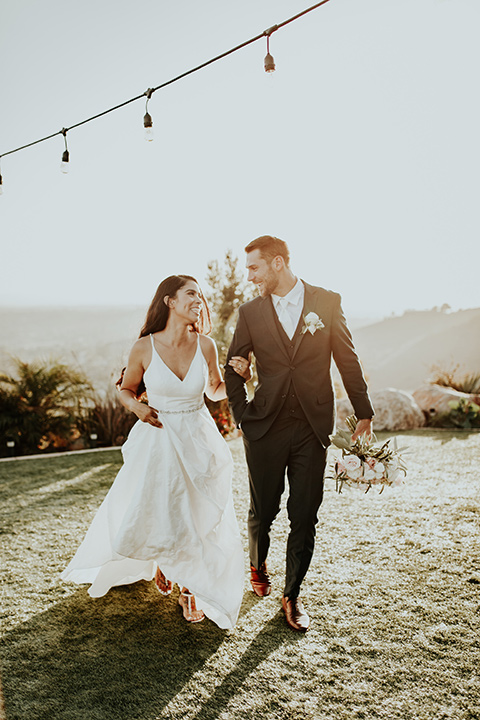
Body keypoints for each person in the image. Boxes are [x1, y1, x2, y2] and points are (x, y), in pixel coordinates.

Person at [62, 275, 251, 629]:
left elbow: (213, 391)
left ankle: (189, 584)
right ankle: (171, 568)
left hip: (199, 437)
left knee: (197, 511)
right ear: (170, 301)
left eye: (200, 295)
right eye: (191, 294)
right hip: (160, 437)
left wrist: (241, 379)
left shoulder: (206, 345)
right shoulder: (144, 347)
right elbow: (127, 390)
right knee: (165, 506)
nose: (199, 300)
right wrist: (137, 409)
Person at [225, 236, 374, 632]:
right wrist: (241, 415)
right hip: (265, 427)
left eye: (254, 268)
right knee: (264, 509)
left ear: (277, 263)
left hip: (312, 426)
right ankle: (258, 563)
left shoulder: (326, 302)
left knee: (305, 513)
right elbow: (232, 366)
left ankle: (292, 595)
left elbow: (347, 358)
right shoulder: (250, 312)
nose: (250, 277)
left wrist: (364, 412)